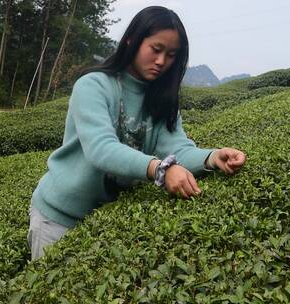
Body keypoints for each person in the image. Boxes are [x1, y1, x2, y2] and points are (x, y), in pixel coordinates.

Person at [27, 6, 246, 260]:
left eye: (171, 55)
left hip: (105, 222)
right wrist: (161, 170)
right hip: (59, 218)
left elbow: (178, 150)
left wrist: (213, 157)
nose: (162, 61)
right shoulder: (93, 86)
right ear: (132, 40)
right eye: (156, 49)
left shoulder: (161, 98)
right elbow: (100, 148)